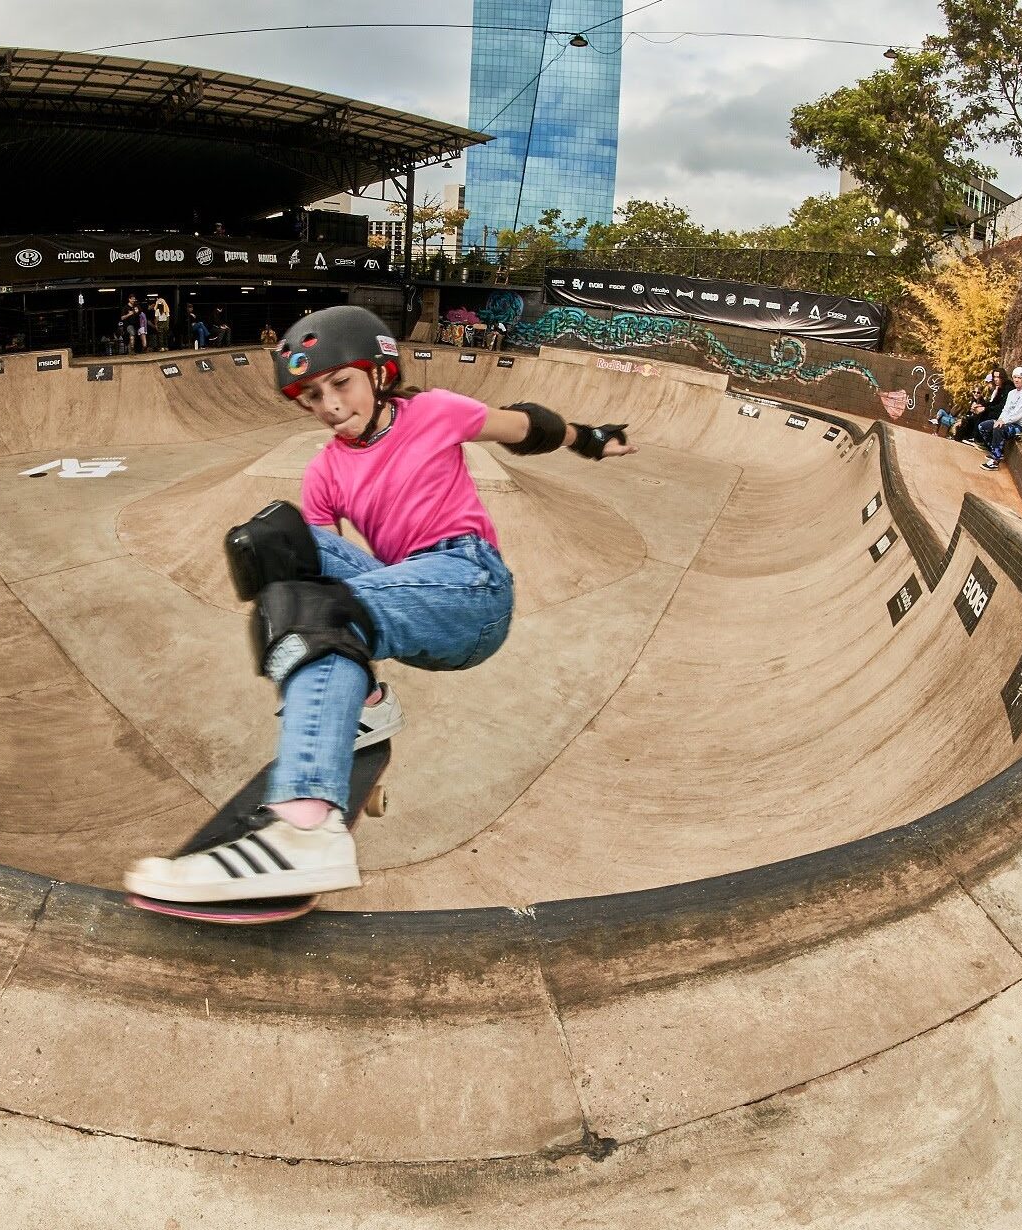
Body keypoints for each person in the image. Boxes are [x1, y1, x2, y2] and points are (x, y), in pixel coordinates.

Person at [122, 305, 636, 904]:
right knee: (272, 546)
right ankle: (363, 700)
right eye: (312, 396)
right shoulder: (324, 473)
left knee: (321, 616)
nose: (330, 407)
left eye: (341, 384)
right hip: (408, 584)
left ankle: (305, 833)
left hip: (473, 590)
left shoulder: (435, 413)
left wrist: (590, 439)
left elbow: (526, 426)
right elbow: (304, 578)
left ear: (379, 372)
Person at [977, 367, 1022, 471]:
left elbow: (1019, 413)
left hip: (1021, 426)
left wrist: (1003, 422)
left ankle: (995, 462)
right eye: (1015, 377)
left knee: (999, 429)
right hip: (1007, 422)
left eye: (1020, 377)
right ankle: (997, 453)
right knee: (983, 426)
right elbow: (1005, 410)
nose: (1017, 380)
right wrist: (1000, 420)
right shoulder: (1012, 393)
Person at [955, 366, 1009, 444]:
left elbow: (1001, 406)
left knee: (982, 414)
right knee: (969, 419)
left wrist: (984, 408)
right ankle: (970, 437)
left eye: (998, 377)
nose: (996, 379)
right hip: (995, 410)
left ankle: (977, 439)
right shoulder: (1000, 389)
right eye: (995, 377)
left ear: (1003, 377)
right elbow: (992, 403)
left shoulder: (1007, 389)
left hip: (1001, 414)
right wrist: (980, 406)